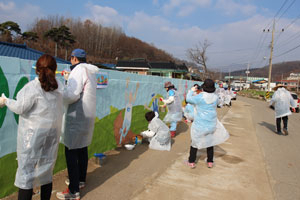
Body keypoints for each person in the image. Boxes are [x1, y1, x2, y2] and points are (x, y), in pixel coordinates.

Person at [0, 54, 63, 200]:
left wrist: (5, 100)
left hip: (32, 136)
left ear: (37, 69)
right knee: (46, 170)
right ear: (54, 69)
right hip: (52, 133)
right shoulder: (59, 87)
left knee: (26, 174)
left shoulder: (32, 87)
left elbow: (20, 107)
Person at [56, 49, 100, 200]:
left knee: (70, 151)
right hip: (86, 116)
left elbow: (72, 95)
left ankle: (73, 191)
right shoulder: (90, 71)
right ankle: (80, 180)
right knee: (82, 148)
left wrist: (60, 90)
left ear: (74, 58)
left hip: (77, 116)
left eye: (71, 58)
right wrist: (69, 80)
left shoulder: (77, 70)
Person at [185, 79, 229, 169]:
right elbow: (219, 103)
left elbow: (188, 99)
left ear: (204, 87)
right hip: (211, 124)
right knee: (210, 142)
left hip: (200, 124)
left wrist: (191, 91)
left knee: (195, 143)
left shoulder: (200, 97)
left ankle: (191, 161)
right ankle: (210, 161)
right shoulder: (215, 97)